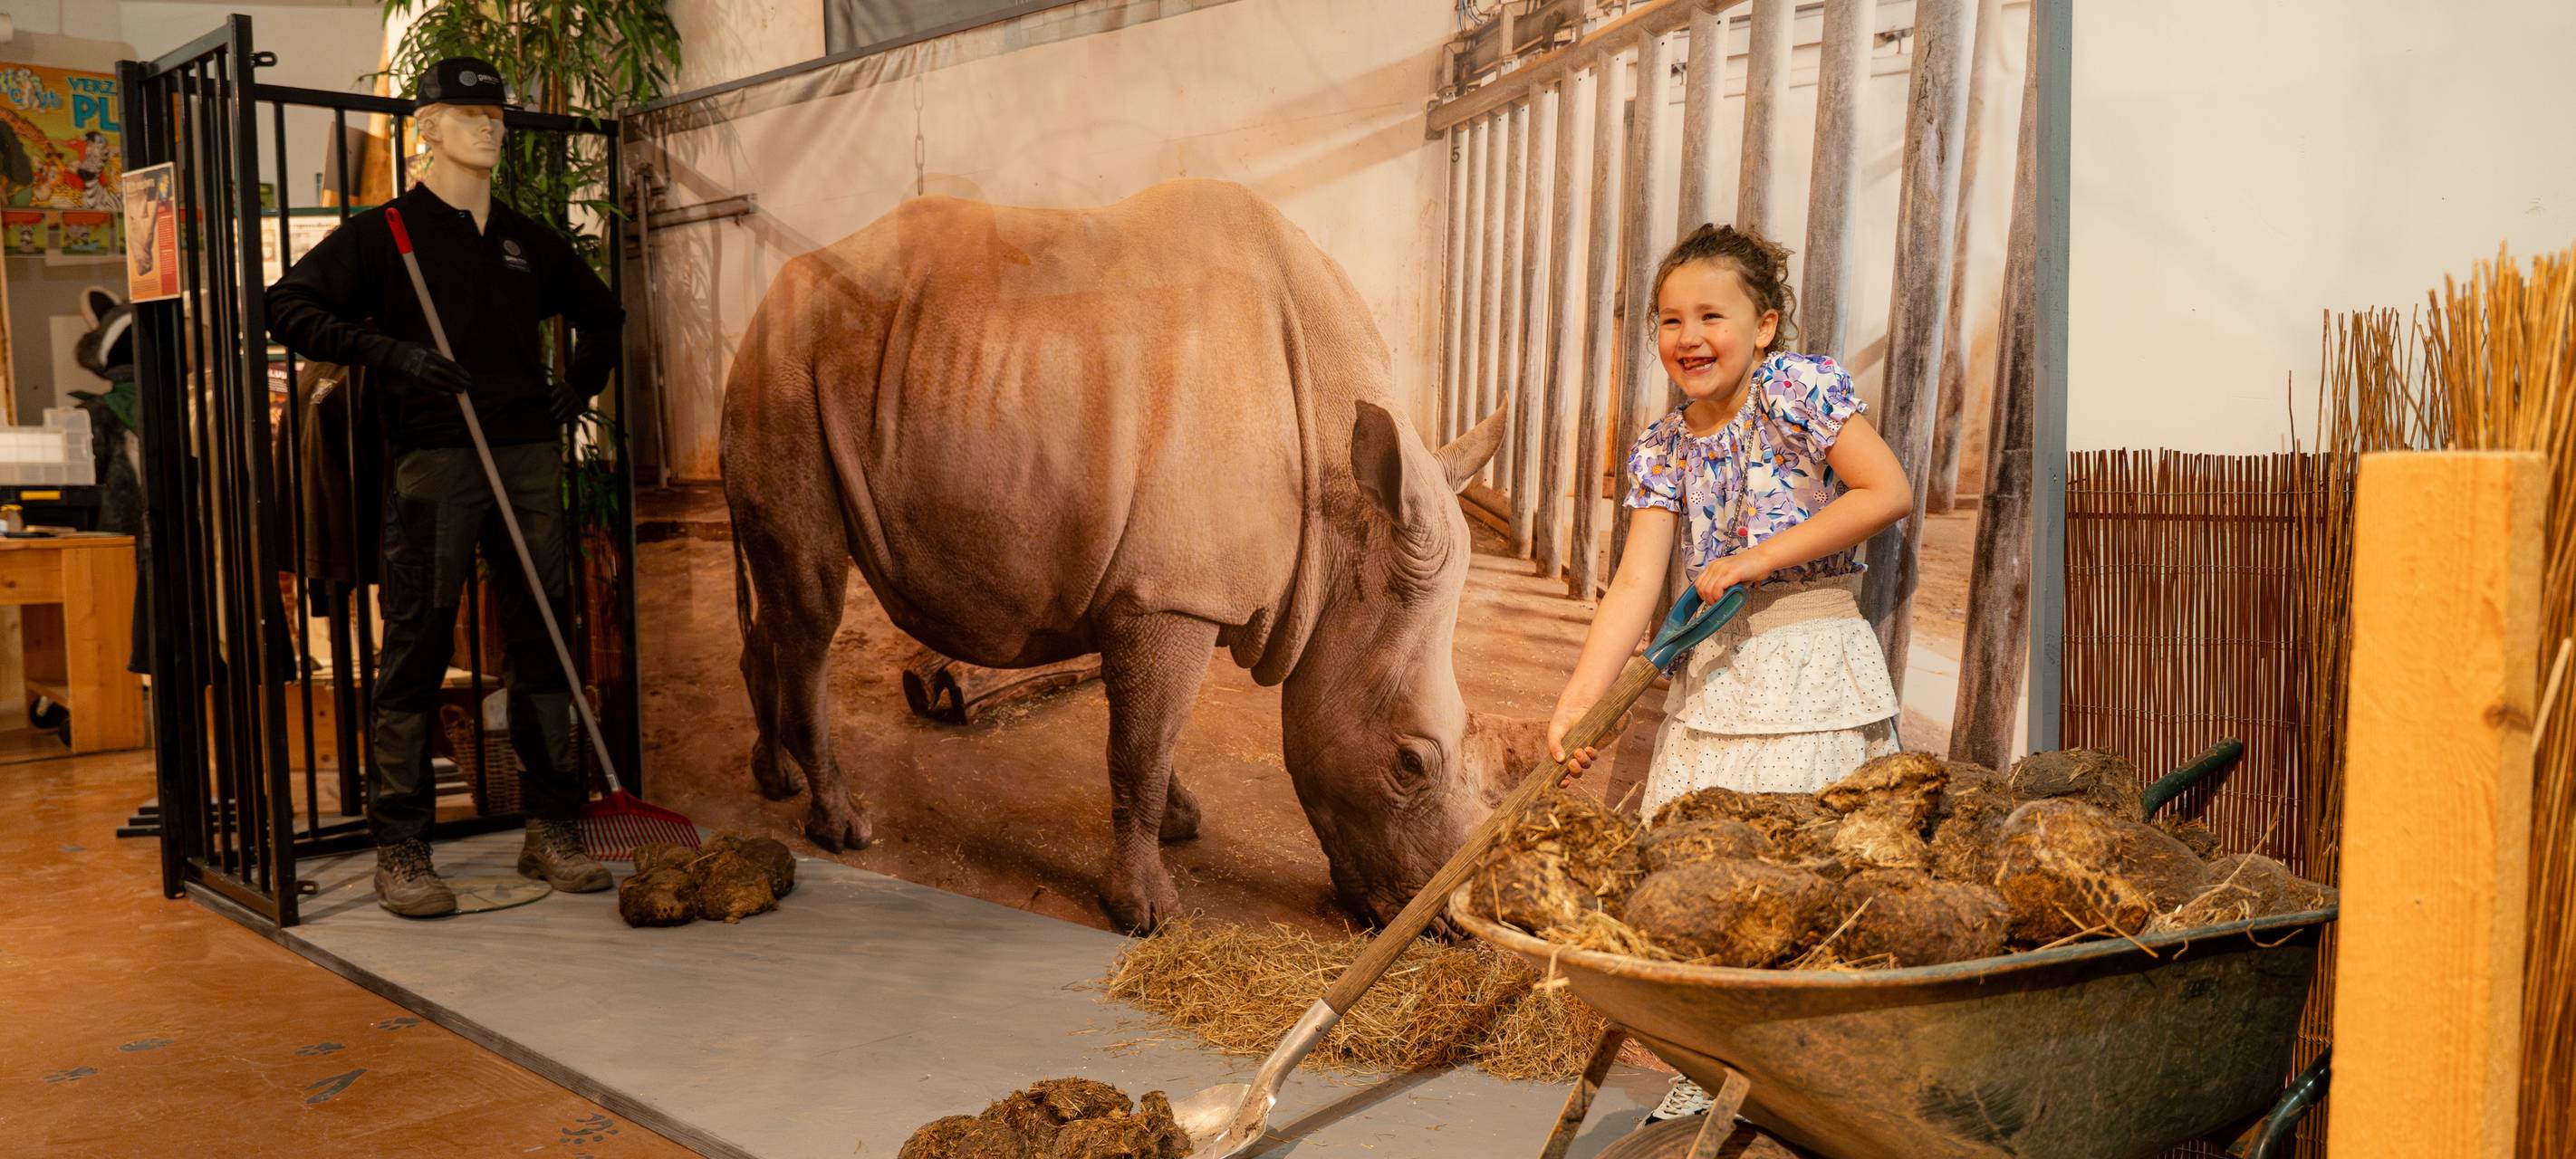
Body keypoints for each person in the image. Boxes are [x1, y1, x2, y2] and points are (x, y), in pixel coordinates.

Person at [1545, 223, 1913, 1120]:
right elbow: (1637, 579)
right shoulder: (1665, 443)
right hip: (1716, 677)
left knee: (1808, 869)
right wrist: (1581, 701)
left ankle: (1815, 1078)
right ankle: (1715, 1070)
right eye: (1670, 320)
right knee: (1701, 873)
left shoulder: (1798, 394)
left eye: (1713, 314)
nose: (1689, 336)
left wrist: (1755, 558)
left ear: (1767, 326)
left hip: (1811, 662)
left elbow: (1885, 491)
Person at [264, 57, 626, 917]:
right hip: (436, 460)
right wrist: (389, 353)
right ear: (425, 127)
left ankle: (552, 827)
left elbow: (603, 313)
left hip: (530, 457)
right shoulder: (385, 234)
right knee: (419, 640)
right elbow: (286, 306)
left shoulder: (523, 238)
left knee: (545, 638)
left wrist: (576, 385)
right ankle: (402, 848)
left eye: (497, 114)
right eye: (468, 114)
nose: (491, 127)